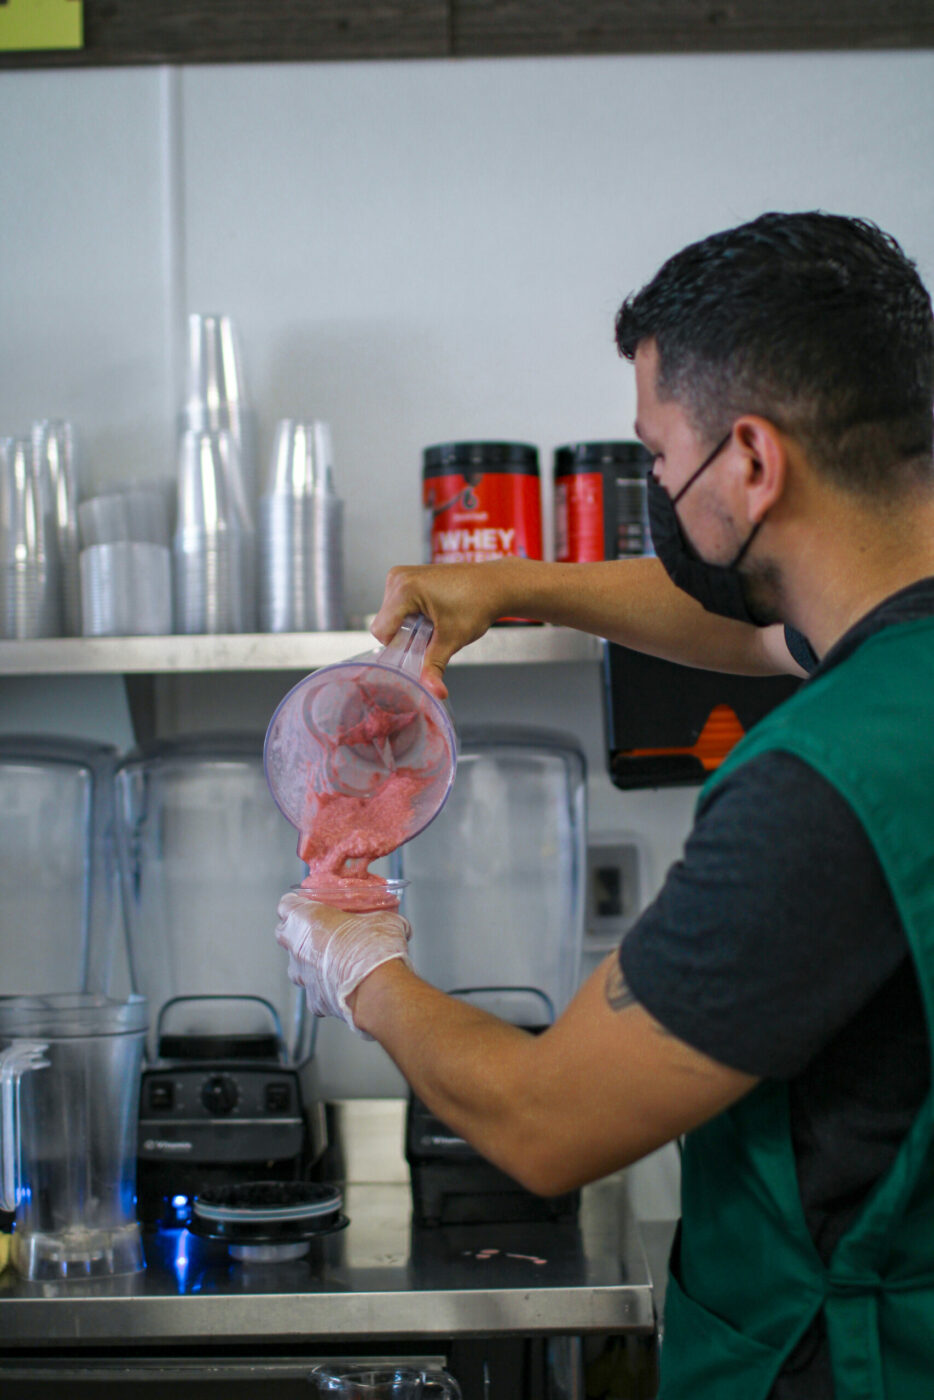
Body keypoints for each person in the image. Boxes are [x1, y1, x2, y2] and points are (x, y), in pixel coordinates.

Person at [275, 211, 934, 1399]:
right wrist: (513, 585)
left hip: (848, 1360)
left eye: (657, 456)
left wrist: (354, 962)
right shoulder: (897, 661)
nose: (653, 489)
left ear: (749, 461)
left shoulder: (817, 790)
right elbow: (766, 623)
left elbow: (544, 1122)